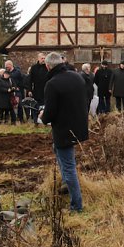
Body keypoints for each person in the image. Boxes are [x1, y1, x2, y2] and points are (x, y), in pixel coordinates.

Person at [39, 52, 88, 213]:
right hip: (79, 126)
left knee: (68, 166)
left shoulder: (52, 84)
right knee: (58, 151)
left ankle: (76, 205)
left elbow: (50, 112)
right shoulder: (77, 77)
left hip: (64, 129)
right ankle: (67, 184)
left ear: (47, 66)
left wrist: (43, 117)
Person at [27, 54, 49, 123]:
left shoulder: (47, 67)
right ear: (38, 59)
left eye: (44, 58)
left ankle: (45, 120)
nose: (43, 60)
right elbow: (30, 80)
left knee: (46, 106)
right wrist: (29, 90)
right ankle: (35, 120)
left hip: (46, 90)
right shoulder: (34, 68)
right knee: (36, 106)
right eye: (42, 58)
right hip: (37, 90)